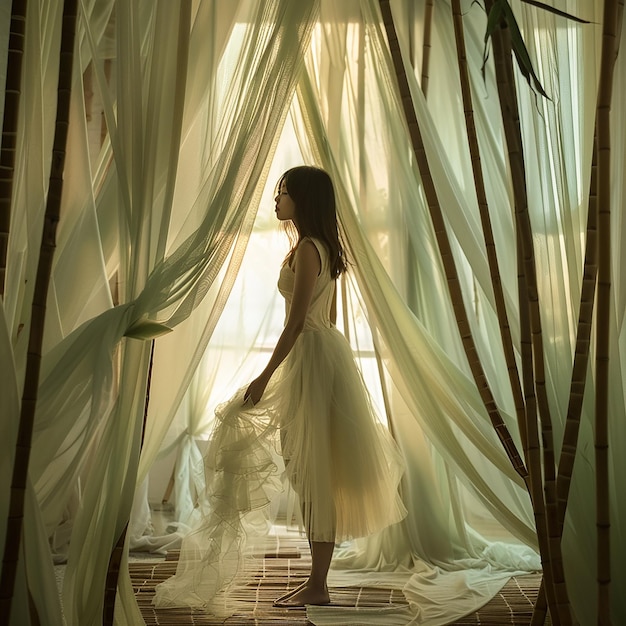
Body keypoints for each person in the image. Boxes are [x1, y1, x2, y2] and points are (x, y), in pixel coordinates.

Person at [153, 165, 406, 612]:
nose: (275, 201)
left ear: (303, 201)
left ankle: (318, 584)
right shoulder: (319, 247)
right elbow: (325, 319)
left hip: (311, 359)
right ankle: (317, 581)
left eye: (283, 194)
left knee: (311, 476)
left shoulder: (310, 249)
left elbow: (297, 323)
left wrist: (265, 376)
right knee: (309, 472)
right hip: (320, 359)